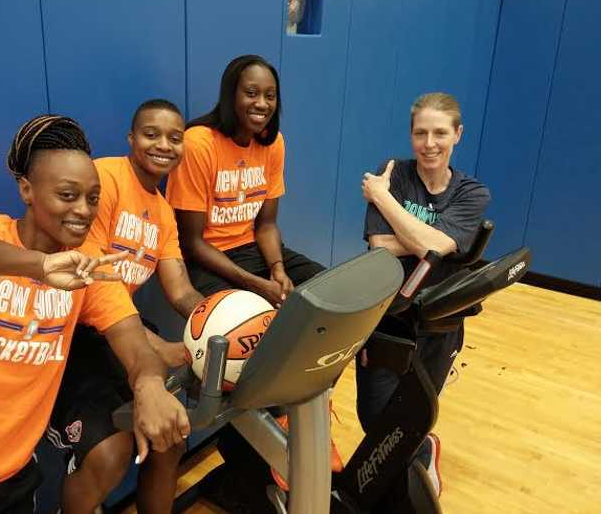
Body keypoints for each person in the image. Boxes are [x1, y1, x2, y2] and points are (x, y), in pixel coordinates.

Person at [0, 115, 189, 514]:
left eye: (93, 198)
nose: (83, 210)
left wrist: (149, 385)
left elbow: (133, 342)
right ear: (27, 189)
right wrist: (38, 266)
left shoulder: (88, 266)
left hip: (3, 479)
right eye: (67, 195)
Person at [166, 55, 330, 513]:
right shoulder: (200, 143)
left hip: (255, 253)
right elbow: (193, 242)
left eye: (269, 95)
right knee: (259, 337)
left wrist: (277, 269)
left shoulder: (272, 144)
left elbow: (267, 224)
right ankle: (251, 463)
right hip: (210, 260)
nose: (261, 103)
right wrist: (258, 283)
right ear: (230, 95)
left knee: (327, 292)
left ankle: (305, 419)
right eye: (251, 92)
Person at [46, 100, 206, 514]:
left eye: (174, 138)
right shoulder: (104, 180)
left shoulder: (164, 213)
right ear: (131, 138)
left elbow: (180, 289)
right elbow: (94, 287)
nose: (163, 145)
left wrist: (222, 318)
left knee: (170, 438)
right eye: (151, 134)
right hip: (72, 332)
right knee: (111, 453)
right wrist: (153, 344)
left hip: (120, 330)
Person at [353, 92, 490, 497]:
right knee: (374, 418)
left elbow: (435, 245)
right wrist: (430, 239)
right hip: (388, 317)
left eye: (440, 133)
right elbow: (381, 245)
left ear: (458, 134)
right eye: (420, 133)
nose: (429, 143)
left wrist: (381, 198)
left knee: (416, 415)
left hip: (440, 321)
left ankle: (418, 460)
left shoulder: (472, 193)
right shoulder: (393, 173)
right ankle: (413, 461)